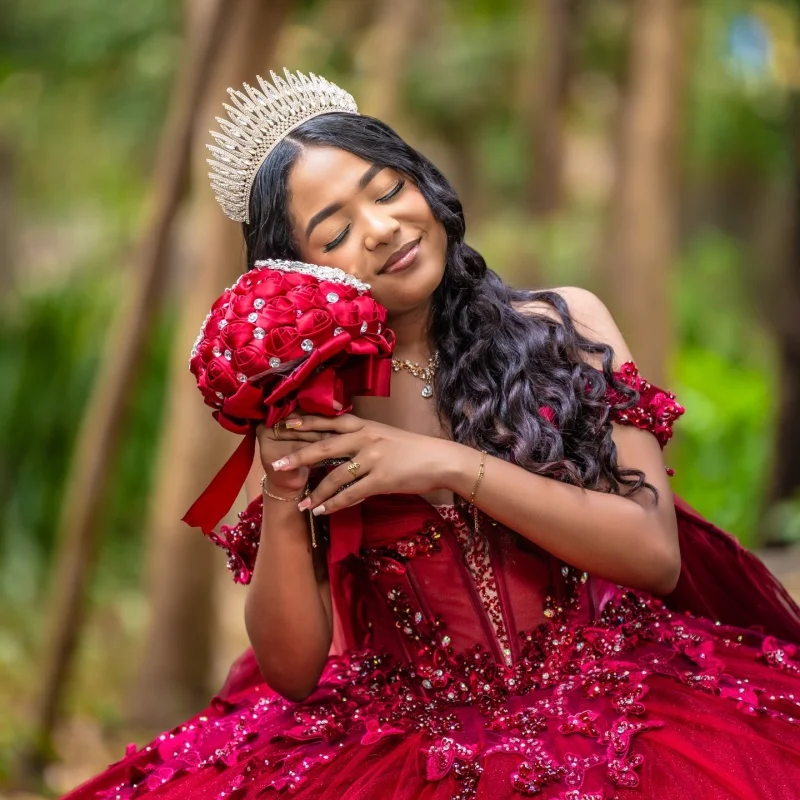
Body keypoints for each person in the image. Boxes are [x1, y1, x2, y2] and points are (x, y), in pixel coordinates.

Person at [64, 69, 800, 800]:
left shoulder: (564, 328)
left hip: (625, 702)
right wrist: (283, 492)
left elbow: (653, 555)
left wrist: (448, 464)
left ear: (425, 184)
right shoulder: (318, 409)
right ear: (294, 271)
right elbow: (291, 671)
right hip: (408, 747)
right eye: (337, 231)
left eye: (388, 191)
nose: (382, 229)